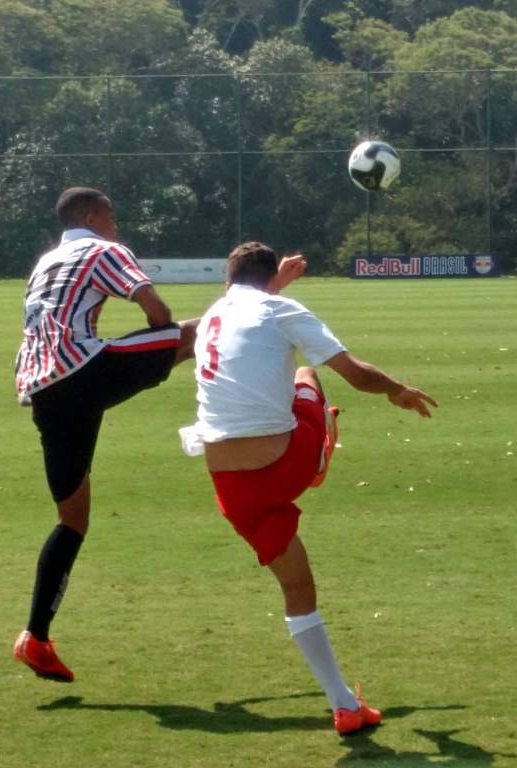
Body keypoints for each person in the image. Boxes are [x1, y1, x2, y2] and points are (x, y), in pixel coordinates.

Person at [181, 241, 437, 735]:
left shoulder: (213, 315)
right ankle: (319, 450)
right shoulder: (281, 309)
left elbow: (248, 300)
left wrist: (275, 279)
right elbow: (358, 374)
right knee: (306, 372)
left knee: (298, 587)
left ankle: (344, 705)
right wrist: (397, 389)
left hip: (231, 489)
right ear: (268, 278)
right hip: (283, 463)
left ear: (227, 279)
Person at [12, 187, 199, 683]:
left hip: (42, 390)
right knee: (192, 333)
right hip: (78, 373)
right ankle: (259, 308)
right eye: (112, 217)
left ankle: (36, 637)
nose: (117, 227)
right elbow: (157, 312)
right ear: (94, 217)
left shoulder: (46, 261)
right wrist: (163, 347)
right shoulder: (103, 249)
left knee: (71, 519)